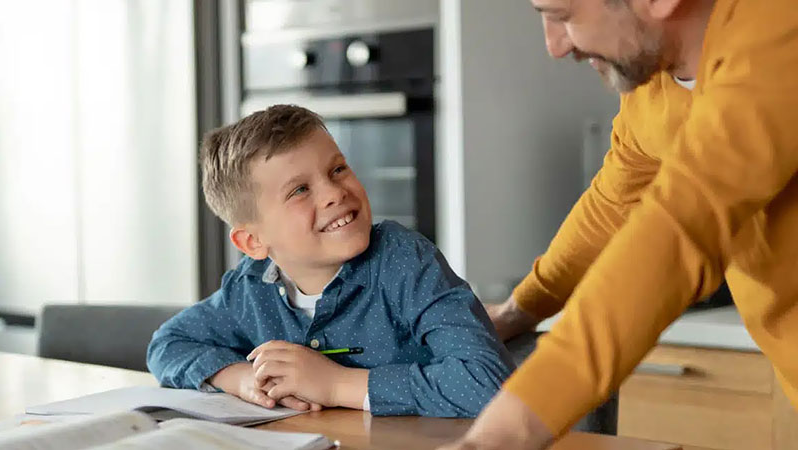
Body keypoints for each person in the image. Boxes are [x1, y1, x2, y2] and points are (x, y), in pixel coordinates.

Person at [442, 0, 798, 447]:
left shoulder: (778, 30)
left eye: (562, 16)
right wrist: (522, 307)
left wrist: (501, 433)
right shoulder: (655, 92)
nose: (554, 46)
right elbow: (612, 205)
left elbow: (681, 231)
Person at [146, 104, 513, 417]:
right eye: (300, 190)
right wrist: (241, 378)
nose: (335, 193)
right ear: (253, 241)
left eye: (337, 169)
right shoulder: (249, 288)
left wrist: (336, 385)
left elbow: (488, 383)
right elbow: (168, 344)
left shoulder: (405, 262)